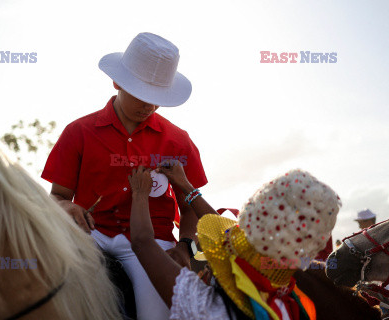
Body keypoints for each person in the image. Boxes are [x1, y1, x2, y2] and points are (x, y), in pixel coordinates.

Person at [41, 32, 207, 320]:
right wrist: (66, 206)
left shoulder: (179, 141)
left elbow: (188, 205)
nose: (149, 107)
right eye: (142, 96)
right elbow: (57, 196)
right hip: (90, 235)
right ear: (117, 83)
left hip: (153, 241)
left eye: (157, 99)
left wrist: (185, 245)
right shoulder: (78, 132)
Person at [129, 164, 341, 319]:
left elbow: (142, 242)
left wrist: (139, 193)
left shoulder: (204, 307)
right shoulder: (288, 303)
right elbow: (223, 231)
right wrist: (185, 185)